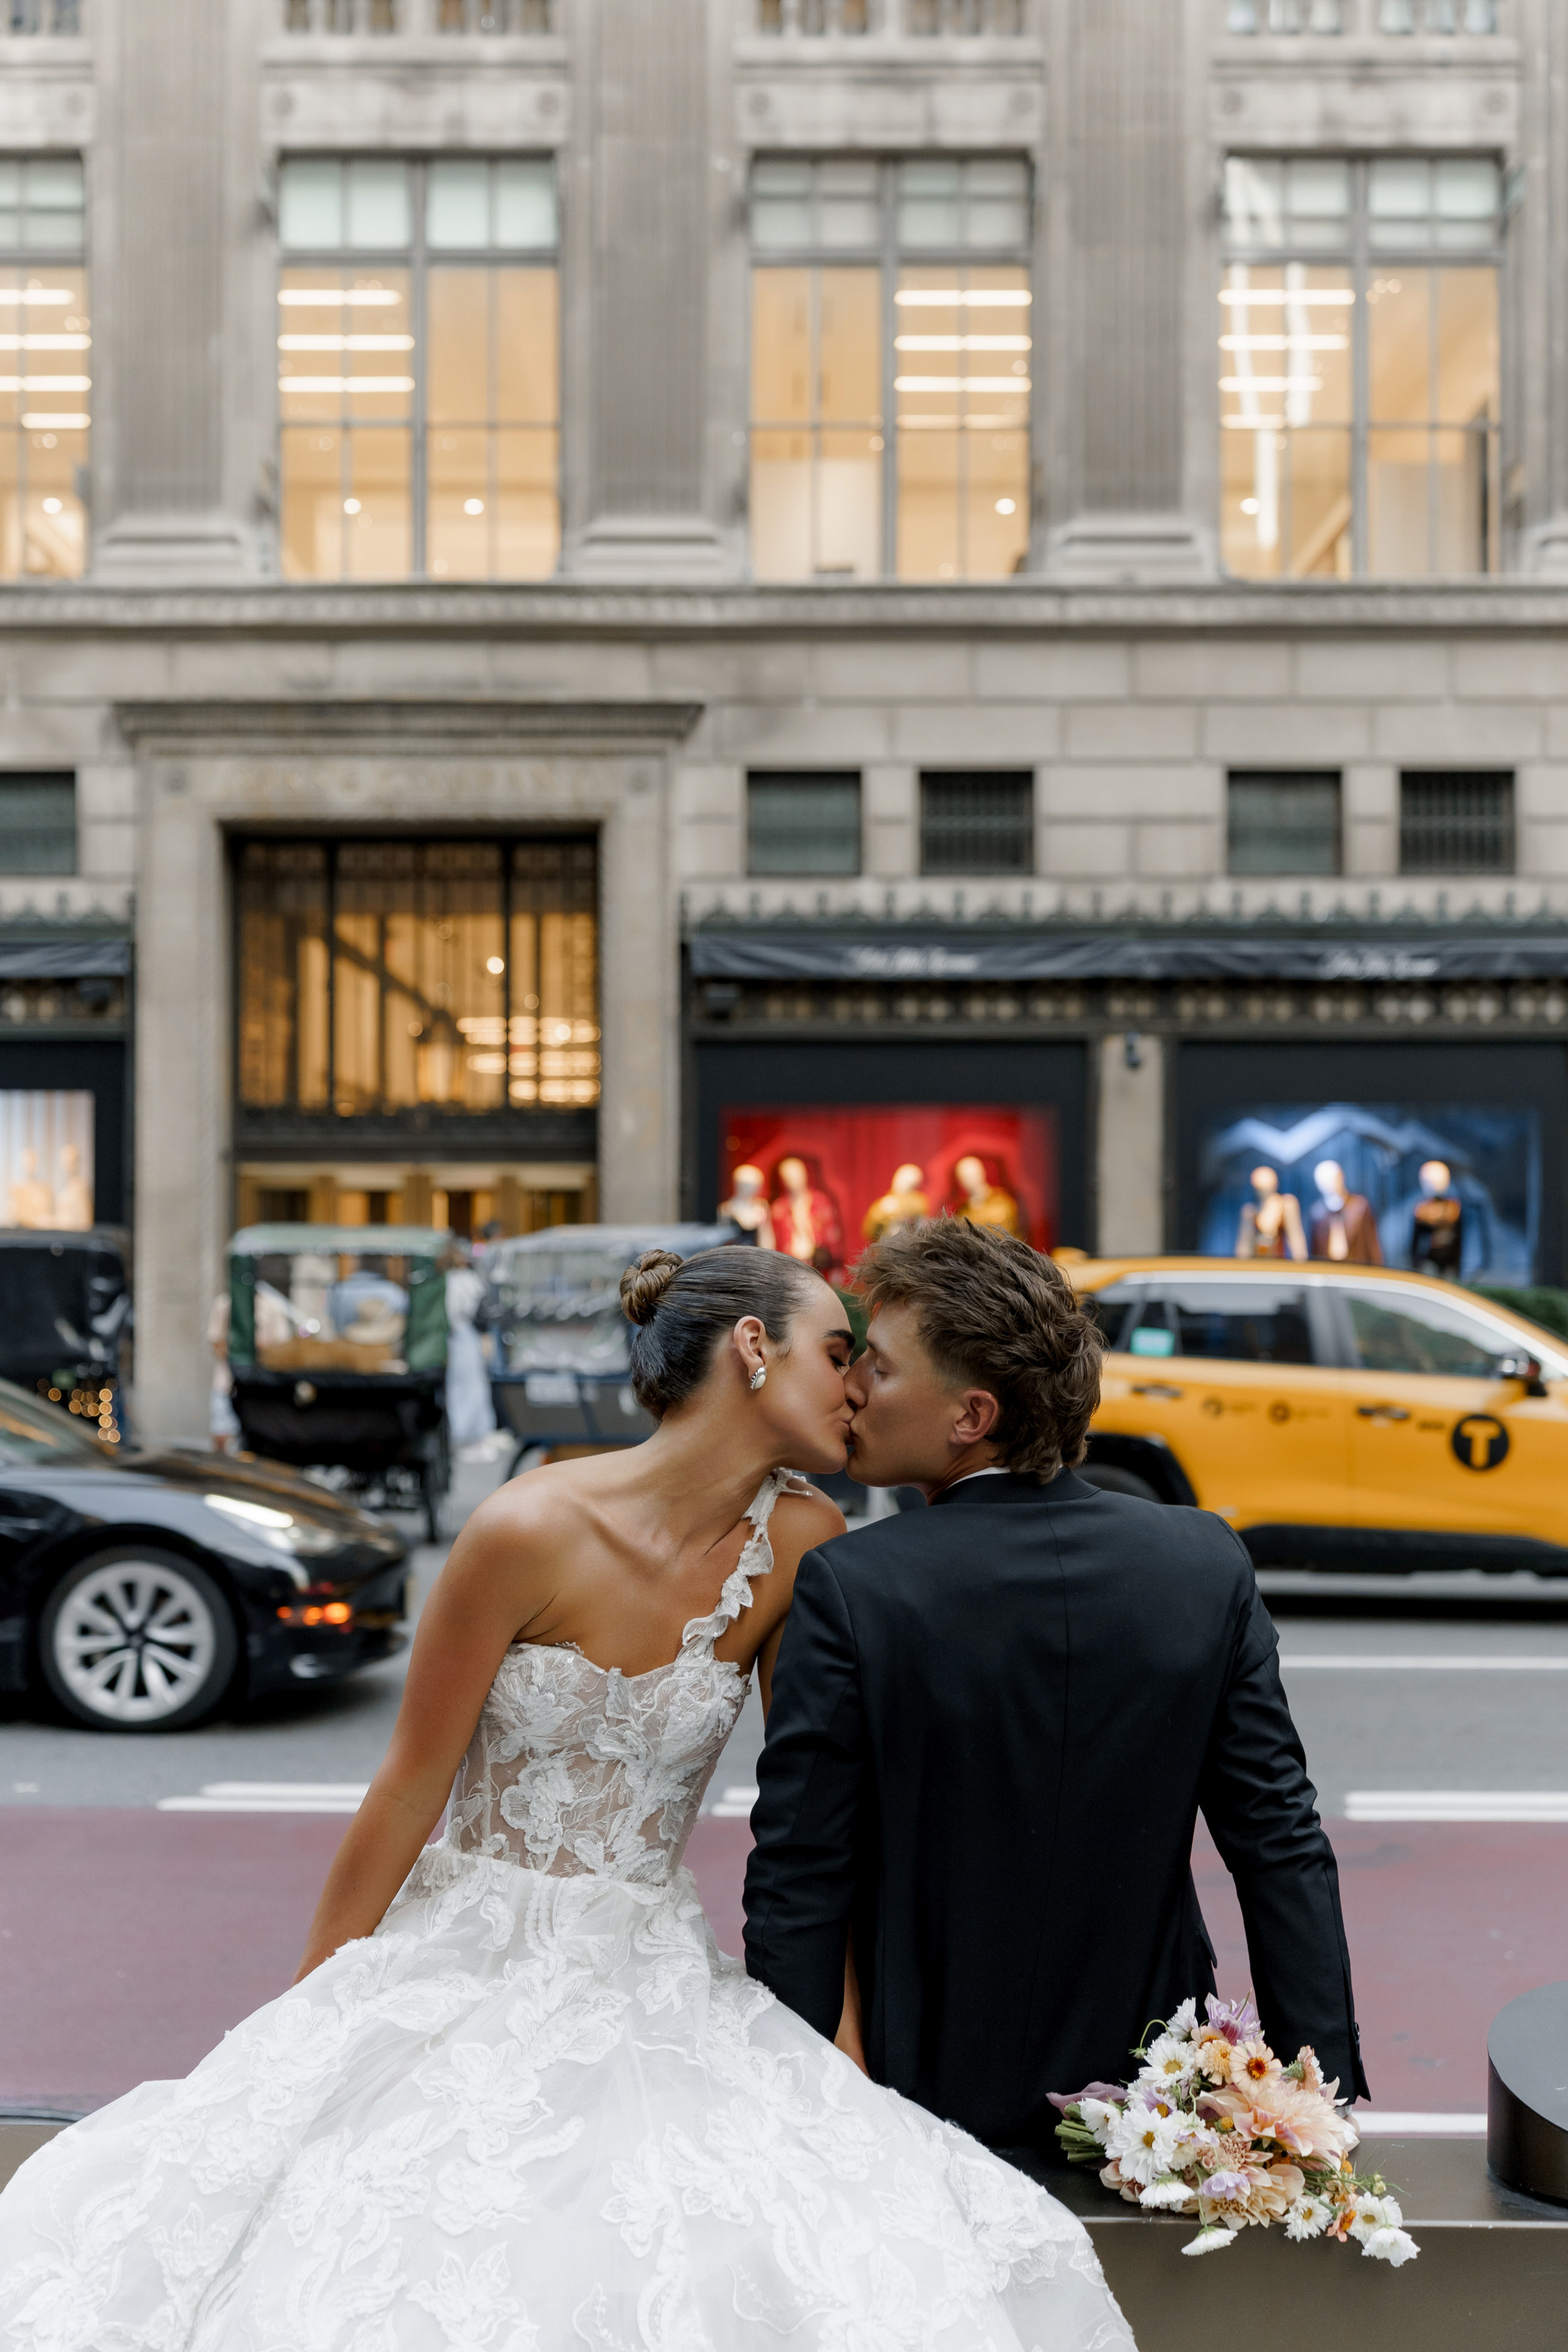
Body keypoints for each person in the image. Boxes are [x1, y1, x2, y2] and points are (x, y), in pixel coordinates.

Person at [0, 1243, 1133, 2351]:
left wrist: (839, 2043)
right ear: (753, 1348)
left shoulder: (805, 1540)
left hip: (648, 1968)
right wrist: (309, 2012)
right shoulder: (523, 1527)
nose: (857, 1387)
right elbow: (408, 1788)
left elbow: (815, 1824)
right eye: (838, 1352)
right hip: (463, 1947)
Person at [744, 1218, 1366, 2174]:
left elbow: (801, 1872)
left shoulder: (853, 1584)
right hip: (1155, 2090)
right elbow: (1279, 1842)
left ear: (972, 1416)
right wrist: (1314, 2093)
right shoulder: (1203, 1564)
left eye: (882, 1366)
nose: (853, 1386)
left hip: (923, 2085)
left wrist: (803, 2103)